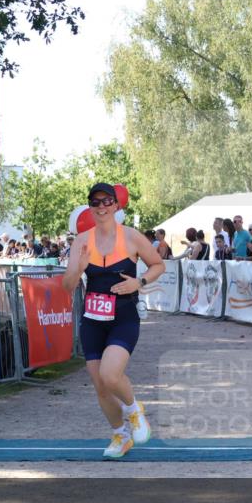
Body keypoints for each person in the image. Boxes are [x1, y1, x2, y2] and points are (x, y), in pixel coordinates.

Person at [62, 182, 165, 459]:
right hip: (93, 320)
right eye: (95, 202)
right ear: (90, 207)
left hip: (124, 316)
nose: (102, 207)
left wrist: (139, 281)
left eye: (107, 201)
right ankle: (121, 435)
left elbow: (158, 265)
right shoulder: (81, 242)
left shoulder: (131, 237)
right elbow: (67, 285)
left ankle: (134, 410)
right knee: (100, 385)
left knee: (110, 375)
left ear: (116, 205)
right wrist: (80, 269)